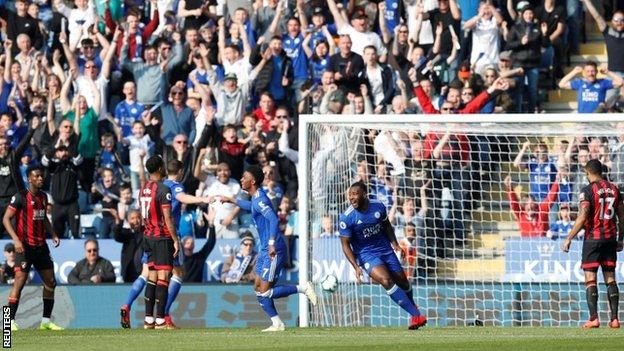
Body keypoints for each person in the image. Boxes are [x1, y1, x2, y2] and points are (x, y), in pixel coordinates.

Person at [221, 165, 317, 332]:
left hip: (274, 248)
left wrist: (272, 242)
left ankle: (303, 288)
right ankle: (277, 323)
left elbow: (274, 220)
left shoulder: (260, 200)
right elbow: (250, 206)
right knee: (257, 288)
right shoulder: (256, 198)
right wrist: (232, 199)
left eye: (244, 177)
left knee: (265, 292)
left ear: (252, 181)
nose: (241, 179)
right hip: (265, 248)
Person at [338, 181, 427, 330]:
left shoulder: (378, 206)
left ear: (364, 194)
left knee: (403, 282)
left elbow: (386, 225)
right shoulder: (347, 218)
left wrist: (395, 244)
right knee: (386, 280)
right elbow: (345, 245)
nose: (351, 198)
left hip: (385, 249)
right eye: (350, 195)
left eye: (355, 194)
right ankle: (417, 315)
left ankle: (414, 314)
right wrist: (356, 266)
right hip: (366, 255)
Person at [562, 159, 623, 329]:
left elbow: (582, 217)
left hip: (593, 240)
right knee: (610, 278)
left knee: (591, 279)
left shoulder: (587, 190)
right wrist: (621, 239)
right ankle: (615, 319)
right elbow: (622, 217)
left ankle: (594, 318)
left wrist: (569, 237)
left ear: (588, 173)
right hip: (610, 239)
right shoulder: (614, 188)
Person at [2, 165, 62, 331]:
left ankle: (45, 322)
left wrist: (53, 234)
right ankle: (8, 323)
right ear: (29, 179)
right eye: (37, 176)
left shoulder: (43, 197)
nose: (41, 178)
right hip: (24, 247)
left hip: (41, 247)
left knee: (51, 282)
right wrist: (16, 240)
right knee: (19, 284)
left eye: (41, 176)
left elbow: (44, 219)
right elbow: (6, 219)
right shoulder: (20, 197)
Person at [138, 155, 180, 329]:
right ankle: (161, 320)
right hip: (161, 237)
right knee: (164, 277)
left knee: (152, 276)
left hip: (147, 236)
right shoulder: (164, 190)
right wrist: (175, 239)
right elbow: (168, 218)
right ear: (160, 169)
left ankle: (149, 320)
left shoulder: (143, 189)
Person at [558, 61, 624, 113]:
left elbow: (620, 82)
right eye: (588, 71)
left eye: (592, 71)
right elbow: (561, 84)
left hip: (598, 121)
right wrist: (574, 72)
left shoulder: (602, 83)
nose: (590, 74)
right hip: (583, 122)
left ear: (596, 72)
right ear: (585, 73)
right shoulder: (580, 83)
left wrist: (608, 72)